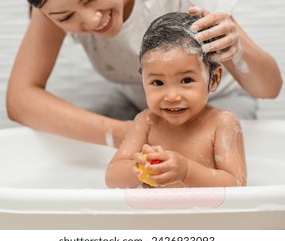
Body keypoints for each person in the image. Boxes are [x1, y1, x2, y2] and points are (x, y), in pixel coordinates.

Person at [8, 0, 282, 149]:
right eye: (66, 18)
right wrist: (126, 133)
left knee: (192, 157)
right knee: (78, 150)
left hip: (216, 102)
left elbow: (270, 89)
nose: (91, 19)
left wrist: (238, 49)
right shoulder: (52, 4)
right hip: (139, 104)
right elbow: (20, 100)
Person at [105, 12, 247, 188]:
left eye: (186, 80)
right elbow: (112, 177)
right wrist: (140, 167)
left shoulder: (222, 123)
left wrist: (186, 171)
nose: (172, 96)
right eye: (158, 82)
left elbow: (236, 185)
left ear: (214, 79)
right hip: (157, 214)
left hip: (204, 214)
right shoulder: (146, 122)